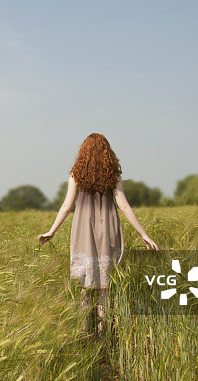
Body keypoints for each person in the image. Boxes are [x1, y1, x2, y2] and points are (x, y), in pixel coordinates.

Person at [37, 133, 159, 336]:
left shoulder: (76, 174)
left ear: (83, 152)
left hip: (84, 229)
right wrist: (143, 234)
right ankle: (104, 334)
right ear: (107, 152)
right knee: (105, 287)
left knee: (86, 285)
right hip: (108, 228)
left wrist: (52, 231)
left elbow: (67, 206)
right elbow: (124, 206)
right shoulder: (113, 175)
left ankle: (85, 332)